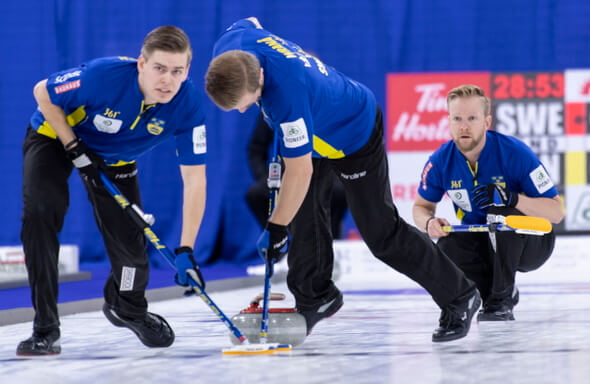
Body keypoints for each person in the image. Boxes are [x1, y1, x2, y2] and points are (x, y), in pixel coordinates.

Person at [205, 17, 481, 342]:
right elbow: (251, 21)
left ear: (260, 77)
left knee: (381, 233)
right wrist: (283, 222)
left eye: (245, 104)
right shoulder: (233, 42)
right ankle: (316, 297)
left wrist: (274, 228)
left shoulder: (286, 97)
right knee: (303, 217)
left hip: (353, 132)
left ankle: (460, 295)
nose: (241, 112)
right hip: (316, 125)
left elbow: (301, 171)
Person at [18, 26, 207, 356]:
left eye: (177, 71)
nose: (167, 80)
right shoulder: (103, 76)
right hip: (54, 137)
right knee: (40, 214)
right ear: (141, 64)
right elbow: (42, 92)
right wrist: (74, 147)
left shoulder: (188, 104)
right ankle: (45, 328)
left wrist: (186, 249)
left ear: (187, 71)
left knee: (132, 254)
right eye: (159, 68)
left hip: (115, 158)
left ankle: (126, 305)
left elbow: (195, 181)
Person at [413, 84, 564, 321]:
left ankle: (502, 300)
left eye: (472, 118)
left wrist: (513, 198)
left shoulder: (515, 153)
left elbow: (556, 212)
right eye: (457, 118)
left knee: (499, 213)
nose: (464, 126)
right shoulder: (440, 161)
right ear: (449, 121)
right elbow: (420, 207)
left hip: (532, 242)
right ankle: (494, 294)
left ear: (487, 122)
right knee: (447, 244)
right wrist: (429, 222)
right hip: (484, 240)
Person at [246, 113, 348, 238]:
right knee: (257, 194)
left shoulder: (324, 104)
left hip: (323, 170)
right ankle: (278, 242)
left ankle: (331, 242)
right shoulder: (271, 110)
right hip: (288, 173)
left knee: (339, 192)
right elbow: (256, 149)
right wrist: (266, 178)